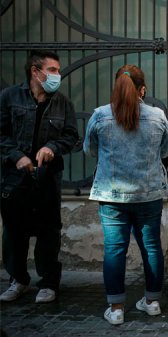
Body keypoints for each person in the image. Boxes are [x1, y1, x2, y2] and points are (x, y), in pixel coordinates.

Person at [83, 65, 168, 325]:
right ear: (142, 89)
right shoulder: (157, 116)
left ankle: (117, 308)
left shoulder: (100, 115)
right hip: (149, 194)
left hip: (112, 196)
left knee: (114, 250)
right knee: (152, 247)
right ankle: (153, 302)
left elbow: (89, 150)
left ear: (116, 87)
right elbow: (165, 151)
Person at [0, 50, 79, 304]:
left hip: (47, 178)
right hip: (15, 177)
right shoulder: (9, 97)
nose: (58, 75)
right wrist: (16, 156)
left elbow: (70, 136)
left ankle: (48, 283)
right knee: (14, 230)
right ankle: (18, 279)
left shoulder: (62, 103)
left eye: (58, 70)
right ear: (36, 71)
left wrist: (52, 148)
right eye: (53, 70)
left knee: (49, 230)